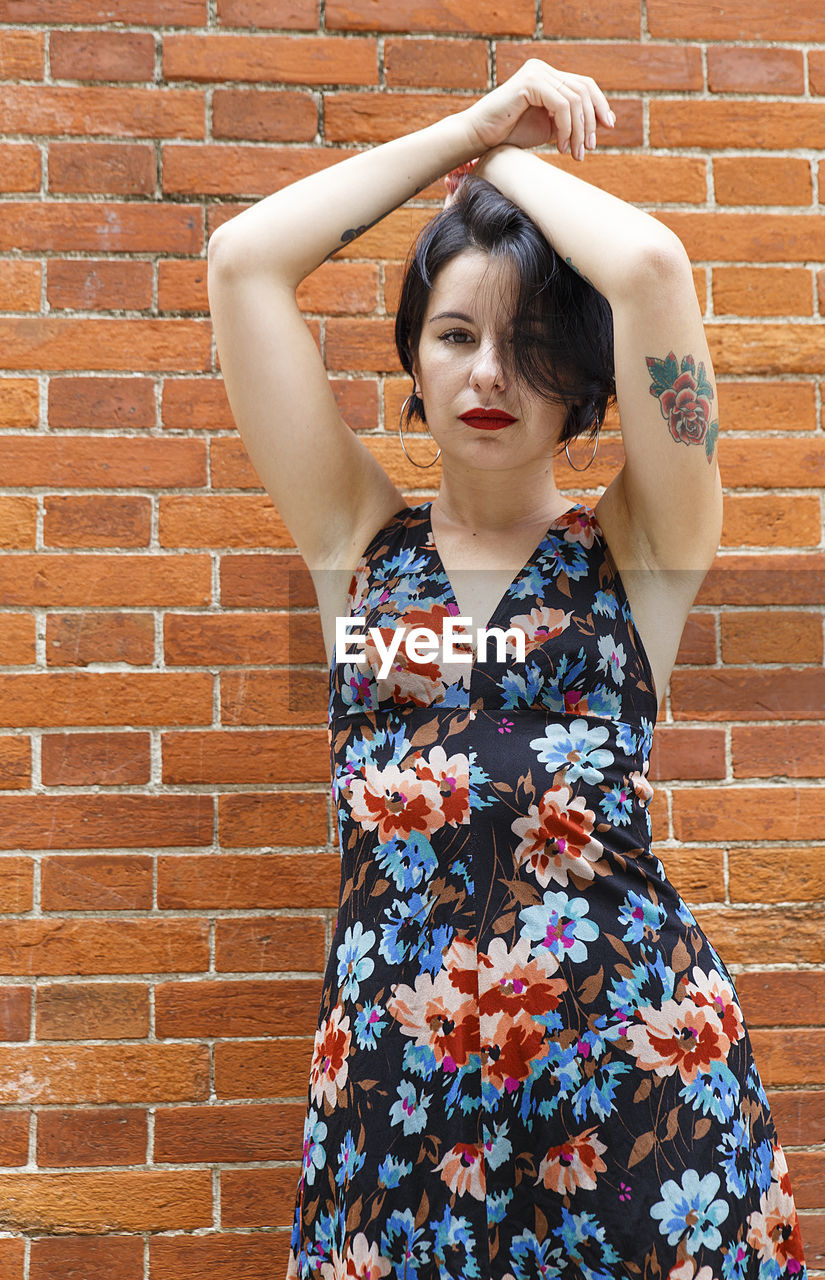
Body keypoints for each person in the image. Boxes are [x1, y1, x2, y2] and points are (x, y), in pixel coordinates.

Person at [207, 59, 807, 1280]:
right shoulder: (354, 551)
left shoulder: (643, 553)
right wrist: (464, 133)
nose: (490, 374)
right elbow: (242, 262)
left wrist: (512, 169)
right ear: (414, 362)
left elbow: (648, 272)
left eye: (532, 345)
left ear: (584, 387)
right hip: (396, 1118)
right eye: (457, 334)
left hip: (637, 1105)